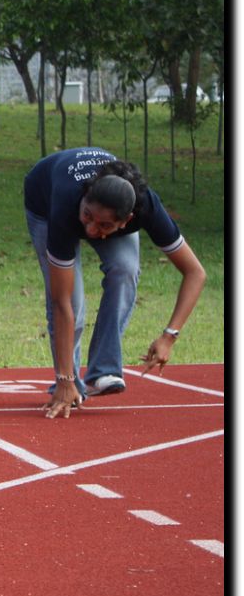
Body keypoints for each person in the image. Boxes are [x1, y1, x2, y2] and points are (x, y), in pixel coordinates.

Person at [24, 147, 206, 419]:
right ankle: (69, 385)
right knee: (73, 303)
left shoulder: (146, 207)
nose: (91, 230)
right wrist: (65, 379)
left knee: (125, 269)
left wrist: (169, 336)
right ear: (85, 197)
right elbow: (62, 303)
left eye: (104, 226)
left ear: (127, 221)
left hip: (103, 208)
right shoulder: (65, 206)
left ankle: (103, 370)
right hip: (43, 199)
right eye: (88, 217)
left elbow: (195, 272)